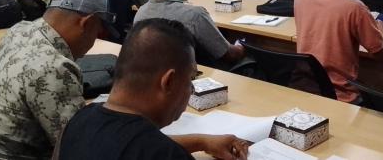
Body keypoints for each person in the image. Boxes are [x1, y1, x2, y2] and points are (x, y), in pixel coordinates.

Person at [0, 0, 117, 160]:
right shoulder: (54, 67)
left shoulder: (19, 30)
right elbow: (78, 145)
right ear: (87, 23)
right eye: (98, 31)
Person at [54, 19, 249, 160]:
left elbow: (126, 144)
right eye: (190, 79)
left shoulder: (78, 120)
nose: (190, 89)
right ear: (169, 82)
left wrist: (201, 142)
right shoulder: (165, 154)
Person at [134, 0, 245, 68]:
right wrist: (242, 44)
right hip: (192, 78)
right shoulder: (194, 15)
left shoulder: (140, 13)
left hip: (154, 77)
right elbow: (229, 54)